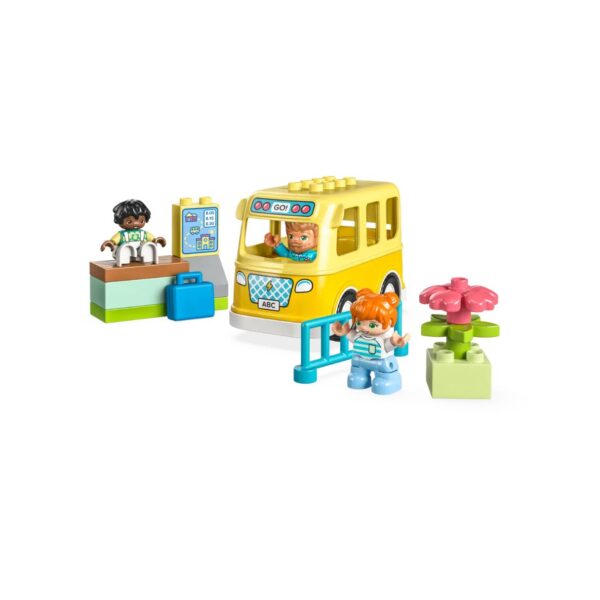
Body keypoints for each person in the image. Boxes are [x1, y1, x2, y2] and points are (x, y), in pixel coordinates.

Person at [331, 289, 410, 395]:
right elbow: (354, 338)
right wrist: (345, 332)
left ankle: (388, 380)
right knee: (356, 377)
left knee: (382, 380)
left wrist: (394, 342)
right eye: (359, 323)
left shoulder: (382, 339)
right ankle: (360, 376)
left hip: (381, 362)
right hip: (360, 361)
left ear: (390, 322)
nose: (364, 328)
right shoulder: (359, 335)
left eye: (372, 325)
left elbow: (387, 346)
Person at [100, 200, 166, 266]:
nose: (136, 223)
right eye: (129, 221)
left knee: (147, 246)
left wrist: (155, 240)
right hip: (126, 251)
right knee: (125, 248)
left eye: (141, 221)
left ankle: (148, 259)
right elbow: (114, 241)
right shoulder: (122, 235)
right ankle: (123, 260)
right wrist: (111, 243)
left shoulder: (143, 233)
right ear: (119, 220)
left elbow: (152, 239)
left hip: (140, 252)